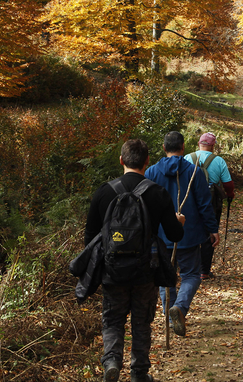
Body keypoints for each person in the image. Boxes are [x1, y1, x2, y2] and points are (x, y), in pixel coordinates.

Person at [84, 139, 185, 382]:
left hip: (112, 272)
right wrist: (178, 221)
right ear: (147, 162)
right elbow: (174, 235)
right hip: (144, 272)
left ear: (121, 161)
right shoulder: (157, 192)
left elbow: (90, 237)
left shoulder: (104, 192)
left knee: (113, 319)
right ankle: (139, 373)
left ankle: (112, 361)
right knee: (142, 323)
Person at [145, 131, 219, 338]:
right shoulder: (193, 172)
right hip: (188, 234)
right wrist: (212, 229)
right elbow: (205, 204)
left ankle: (171, 318)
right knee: (192, 275)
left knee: (165, 279)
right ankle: (180, 308)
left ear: (163, 147)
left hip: (160, 236)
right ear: (183, 147)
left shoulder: (151, 172)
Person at [185, 132, 235, 280]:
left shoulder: (188, 158)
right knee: (210, 233)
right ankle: (204, 271)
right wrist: (230, 195)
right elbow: (228, 183)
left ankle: (189, 269)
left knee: (190, 230)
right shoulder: (219, 161)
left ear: (199, 143)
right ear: (213, 146)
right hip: (212, 201)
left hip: (190, 201)